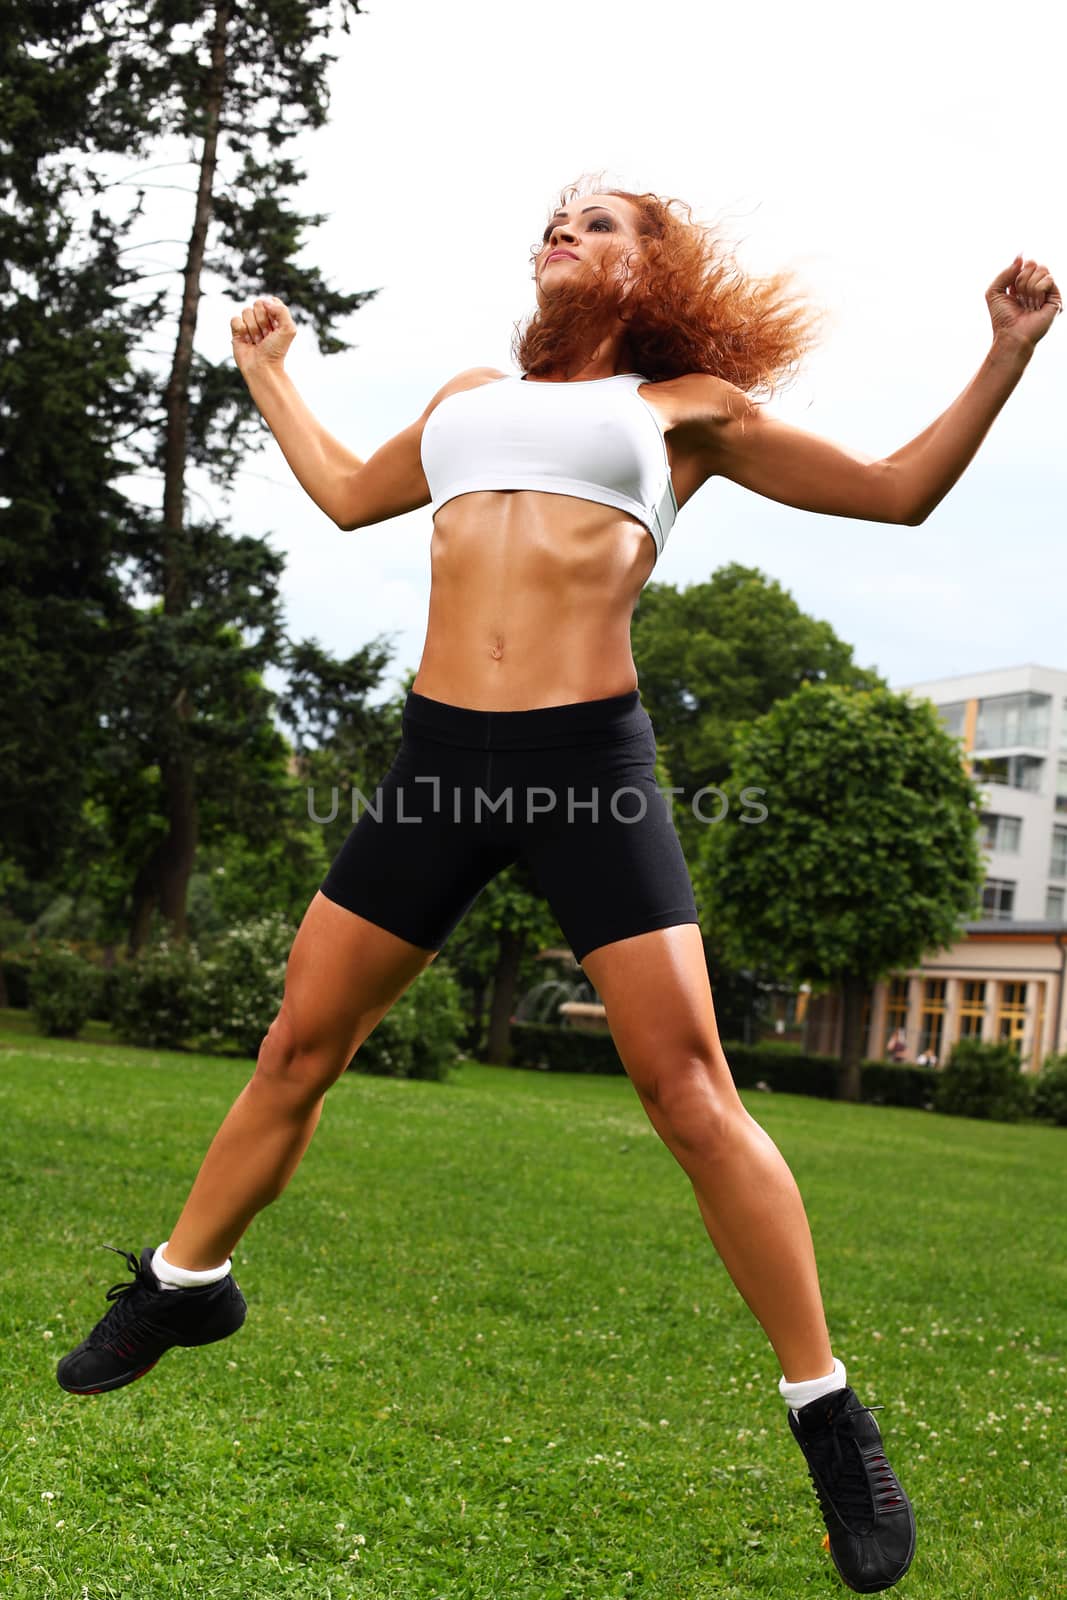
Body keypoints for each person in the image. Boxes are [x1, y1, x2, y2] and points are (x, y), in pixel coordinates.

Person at [56, 175, 1061, 1593]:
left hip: (588, 760)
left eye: (599, 222)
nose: (562, 231)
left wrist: (1005, 357)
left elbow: (898, 495)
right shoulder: (468, 399)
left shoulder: (683, 407)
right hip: (437, 756)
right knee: (297, 1046)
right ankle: (184, 1285)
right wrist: (270, 374)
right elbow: (349, 496)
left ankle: (828, 1413)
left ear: (651, 270)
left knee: (689, 1092)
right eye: (555, 217)